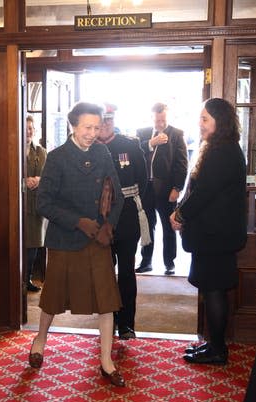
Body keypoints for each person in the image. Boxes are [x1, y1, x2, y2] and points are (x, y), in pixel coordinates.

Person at [28, 102, 126, 386]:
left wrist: (109, 226)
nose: (92, 133)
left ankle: (106, 362)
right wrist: (77, 221)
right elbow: (44, 202)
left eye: (97, 127)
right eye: (87, 127)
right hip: (65, 240)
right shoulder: (57, 157)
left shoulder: (103, 152)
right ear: (73, 125)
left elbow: (116, 195)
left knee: (107, 301)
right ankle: (40, 338)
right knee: (52, 299)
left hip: (98, 239)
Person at [170, 98, 247, 365]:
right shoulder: (218, 147)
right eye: (200, 118)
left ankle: (218, 351)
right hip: (214, 235)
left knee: (214, 290)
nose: (200, 124)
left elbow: (203, 194)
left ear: (219, 122)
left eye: (205, 119)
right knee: (211, 288)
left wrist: (179, 214)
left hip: (217, 236)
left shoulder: (223, 151)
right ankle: (213, 345)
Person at [95, 103, 149, 340]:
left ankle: (126, 324)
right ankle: (108, 321)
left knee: (126, 272)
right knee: (104, 274)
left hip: (126, 218)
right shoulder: (89, 147)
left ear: (114, 119)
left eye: (109, 118)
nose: (105, 123)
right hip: (99, 220)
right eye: (102, 119)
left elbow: (143, 181)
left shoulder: (130, 145)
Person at [136, 102, 188, 275]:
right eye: (157, 120)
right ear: (152, 117)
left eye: (163, 120)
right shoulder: (142, 133)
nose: (160, 124)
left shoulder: (177, 134)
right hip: (145, 189)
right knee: (147, 226)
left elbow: (182, 164)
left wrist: (177, 188)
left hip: (167, 190)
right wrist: (151, 142)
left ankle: (169, 263)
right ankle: (146, 261)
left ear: (168, 117)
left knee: (168, 227)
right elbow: (134, 154)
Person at [24, 115, 47, 292]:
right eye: (25, 127)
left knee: (33, 243)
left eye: (31, 128)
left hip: (35, 204)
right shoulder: (12, 148)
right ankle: (15, 279)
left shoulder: (40, 151)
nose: (28, 131)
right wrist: (23, 181)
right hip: (17, 204)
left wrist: (38, 179)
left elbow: (47, 175)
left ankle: (26, 279)